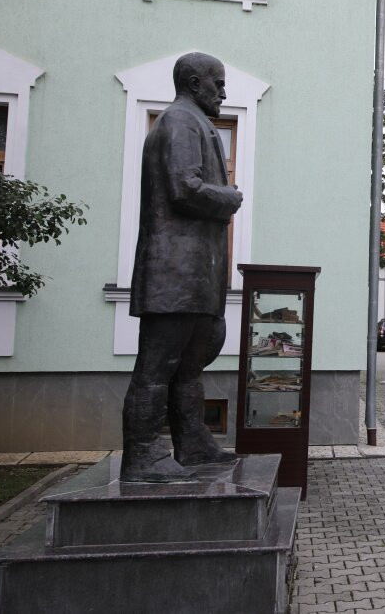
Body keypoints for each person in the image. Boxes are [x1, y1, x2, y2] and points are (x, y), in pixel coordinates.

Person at [120, 52, 243, 482]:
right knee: (156, 367)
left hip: (194, 272)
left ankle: (191, 443)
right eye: (217, 83)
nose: (223, 92)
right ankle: (142, 455)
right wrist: (229, 197)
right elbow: (183, 189)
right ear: (194, 83)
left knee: (188, 366)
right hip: (172, 271)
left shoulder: (197, 123)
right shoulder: (179, 122)